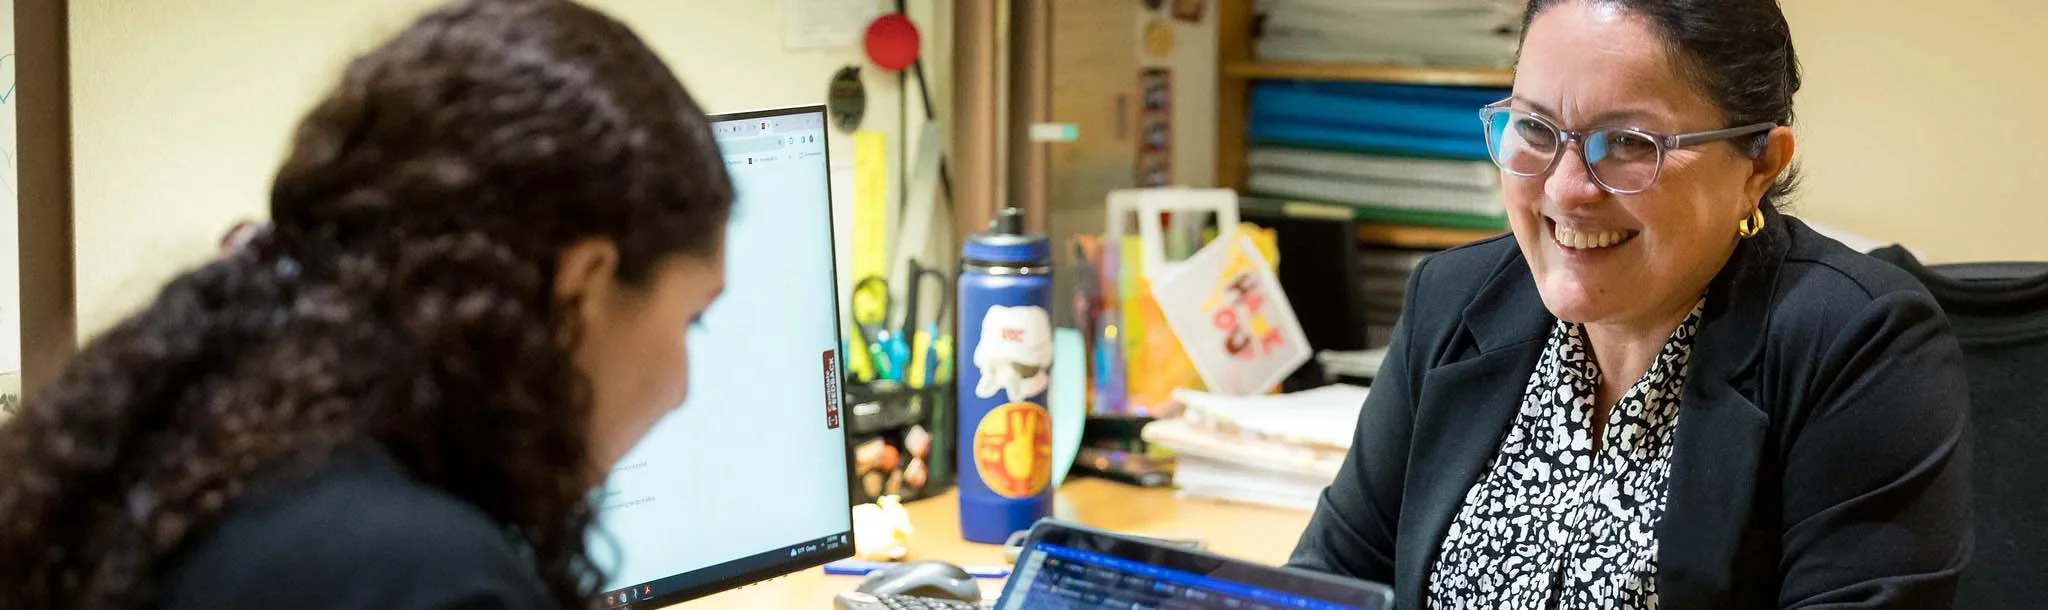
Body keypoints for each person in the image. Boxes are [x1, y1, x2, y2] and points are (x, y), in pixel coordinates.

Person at [0, 1, 732, 608]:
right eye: (692, 318)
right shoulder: (427, 580)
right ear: (586, 280)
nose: (685, 387)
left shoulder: (205, 450)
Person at [1288, 1, 1971, 609]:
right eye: (1534, 128)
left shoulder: (1857, 342)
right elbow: (1333, 583)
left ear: (1759, 167)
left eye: (1626, 144)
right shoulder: (1454, 299)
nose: (1565, 189)